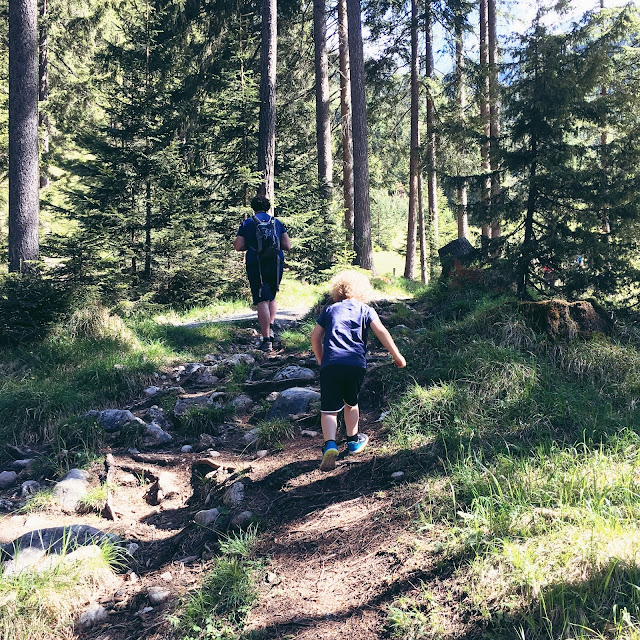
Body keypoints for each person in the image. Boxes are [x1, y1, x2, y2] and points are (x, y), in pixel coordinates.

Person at [310, 270, 407, 471]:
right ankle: (353, 441)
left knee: (328, 408)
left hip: (331, 364)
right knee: (351, 403)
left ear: (338, 290)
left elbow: (315, 337)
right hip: (355, 364)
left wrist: (322, 360)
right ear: (363, 291)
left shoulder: (329, 310)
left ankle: (330, 444)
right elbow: (381, 331)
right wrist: (397, 356)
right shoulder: (365, 309)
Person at [235, 195, 291, 352]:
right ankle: (271, 328)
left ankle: (266, 340)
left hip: (256, 263)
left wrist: (252, 245)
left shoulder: (248, 223)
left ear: (253, 208)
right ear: (268, 207)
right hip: (276, 262)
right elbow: (287, 245)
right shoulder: (276, 222)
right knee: (271, 295)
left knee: (261, 299)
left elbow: (238, 246)